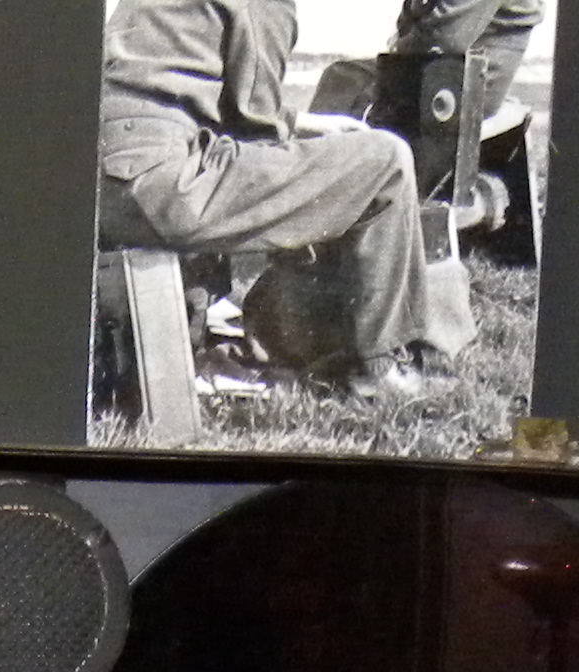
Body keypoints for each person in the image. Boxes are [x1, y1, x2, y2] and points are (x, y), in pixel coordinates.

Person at [101, 0, 441, 415]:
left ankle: (250, 334)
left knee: (274, 167)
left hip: (110, 180)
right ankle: (379, 367)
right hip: (166, 186)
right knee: (386, 160)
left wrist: (308, 126)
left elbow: (183, 93)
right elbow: (255, 129)